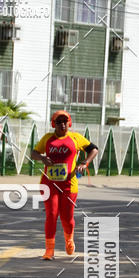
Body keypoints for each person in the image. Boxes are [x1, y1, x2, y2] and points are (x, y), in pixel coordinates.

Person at [31, 111, 98, 260]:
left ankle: (69, 240)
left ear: (69, 123)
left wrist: (84, 163)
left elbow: (94, 149)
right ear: (53, 123)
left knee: (67, 218)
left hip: (69, 183)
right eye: (59, 121)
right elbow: (33, 153)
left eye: (65, 121)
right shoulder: (47, 139)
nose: (62, 124)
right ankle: (49, 250)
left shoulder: (75, 138)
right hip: (49, 183)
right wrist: (42, 158)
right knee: (52, 214)